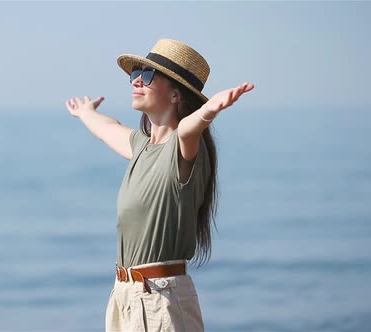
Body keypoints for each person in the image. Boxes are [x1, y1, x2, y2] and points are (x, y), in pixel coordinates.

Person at [65, 38, 255, 332]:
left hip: (159, 301)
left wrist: (208, 111)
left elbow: (189, 130)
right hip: (125, 296)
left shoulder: (184, 146)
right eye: (136, 73)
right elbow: (107, 129)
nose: (137, 80)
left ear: (176, 95)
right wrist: (85, 112)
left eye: (149, 75)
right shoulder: (140, 146)